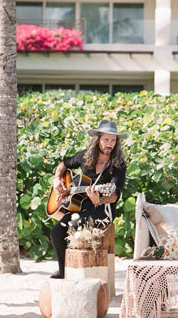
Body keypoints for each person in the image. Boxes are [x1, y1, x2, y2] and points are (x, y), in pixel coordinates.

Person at [49, 119, 127, 279]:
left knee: (75, 225)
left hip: (103, 211)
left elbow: (114, 194)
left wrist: (100, 200)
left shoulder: (118, 164)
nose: (109, 144)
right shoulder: (85, 156)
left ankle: (82, 272)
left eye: (113, 140)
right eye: (106, 139)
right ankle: (64, 271)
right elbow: (63, 164)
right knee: (56, 232)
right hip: (80, 208)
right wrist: (57, 179)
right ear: (98, 139)